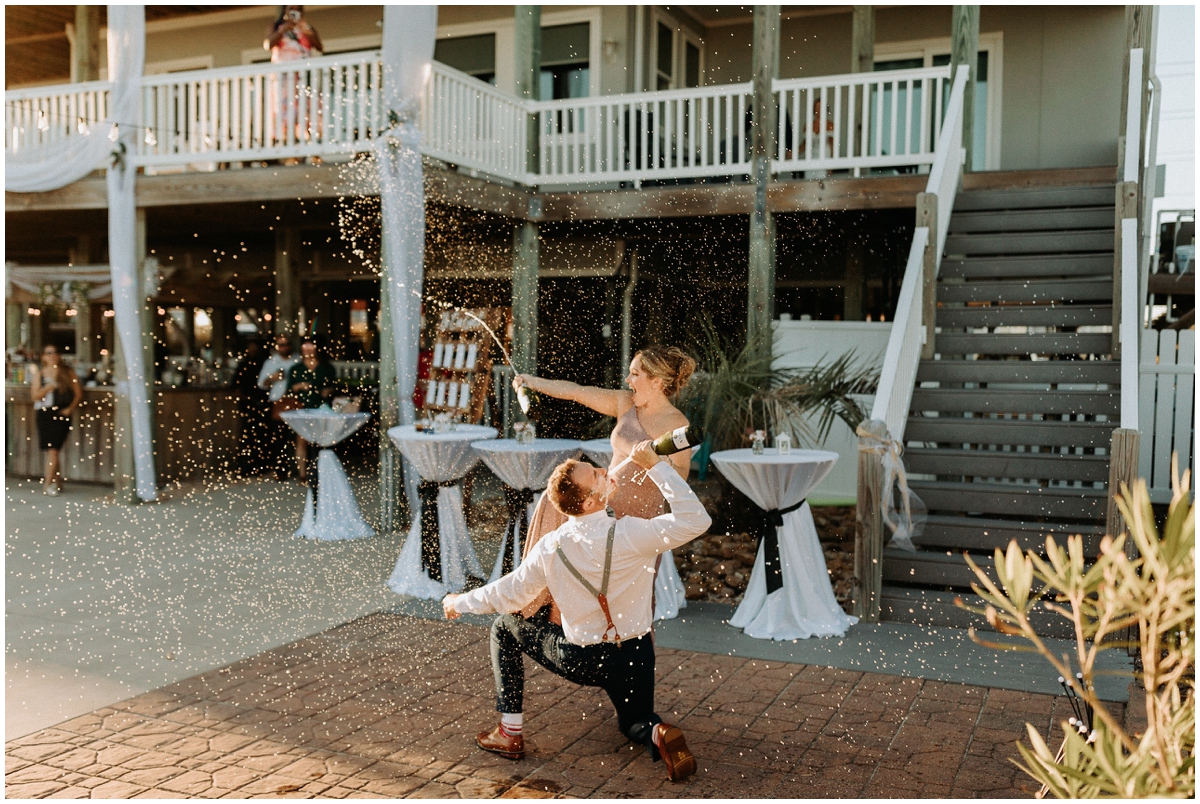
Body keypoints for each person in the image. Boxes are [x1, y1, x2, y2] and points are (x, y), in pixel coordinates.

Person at [442, 441, 711, 781]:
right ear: (587, 501)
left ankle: (509, 733)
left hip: (585, 659)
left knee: (504, 626)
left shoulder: (552, 546)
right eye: (597, 474)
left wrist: (458, 602)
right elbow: (696, 520)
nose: (605, 470)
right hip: (636, 653)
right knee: (635, 723)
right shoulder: (635, 533)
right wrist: (657, 467)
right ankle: (654, 732)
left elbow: (508, 595)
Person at [511, 345, 696, 624]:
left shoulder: (677, 423)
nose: (628, 380)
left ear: (656, 382)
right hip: (602, 508)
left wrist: (655, 461)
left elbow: (681, 476)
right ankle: (543, 610)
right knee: (553, 505)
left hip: (638, 521)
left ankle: (626, 652)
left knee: (626, 602)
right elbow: (575, 391)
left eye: (635, 374)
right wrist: (531, 382)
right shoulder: (625, 403)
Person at [265, 6, 323, 151]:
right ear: (284, 11)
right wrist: (283, 30)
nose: (294, 12)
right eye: (291, 8)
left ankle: (314, 150)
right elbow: (268, 44)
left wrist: (306, 30)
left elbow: (319, 46)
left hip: (304, 78)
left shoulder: (307, 28)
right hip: (284, 80)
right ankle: (289, 151)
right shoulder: (277, 27)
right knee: (285, 113)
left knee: (308, 113)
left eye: (298, 9)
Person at [29, 345, 83, 495]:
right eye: (49, 353)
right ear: (43, 356)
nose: (53, 355)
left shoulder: (67, 372)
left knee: (53, 449)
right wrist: (47, 388)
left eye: (55, 352)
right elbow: (34, 396)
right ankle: (57, 482)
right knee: (52, 451)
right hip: (45, 413)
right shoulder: (40, 374)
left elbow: (78, 394)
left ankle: (47, 485)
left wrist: (69, 409)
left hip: (61, 413)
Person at [284, 338, 336, 482]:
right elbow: (289, 389)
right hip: (302, 407)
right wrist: (300, 386)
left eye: (310, 346)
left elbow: (335, 386)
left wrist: (328, 390)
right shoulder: (296, 369)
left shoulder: (326, 367)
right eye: (304, 347)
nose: (307, 349)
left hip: (321, 407)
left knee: (322, 440)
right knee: (302, 440)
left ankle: (322, 472)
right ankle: (303, 474)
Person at [259, 334, 300, 478]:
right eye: (281, 345)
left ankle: (298, 470)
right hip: (278, 403)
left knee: (296, 438)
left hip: (295, 402)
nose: (284, 347)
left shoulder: (298, 360)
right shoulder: (271, 362)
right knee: (278, 440)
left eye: (287, 344)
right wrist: (272, 378)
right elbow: (261, 384)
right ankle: (281, 471)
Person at [231, 340, 268, 476]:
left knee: (259, 435)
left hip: (261, 403)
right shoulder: (243, 365)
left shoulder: (263, 364)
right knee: (247, 436)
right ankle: (245, 466)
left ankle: (258, 466)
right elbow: (235, 386)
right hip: (248, 404)